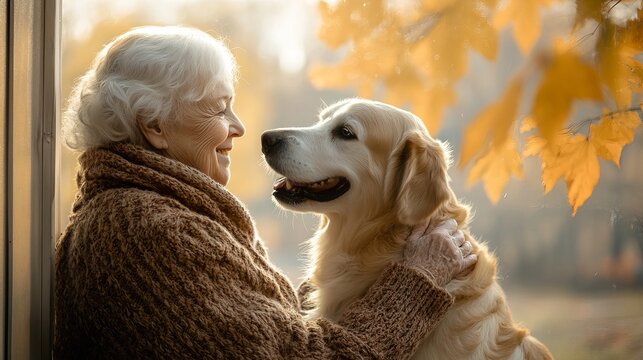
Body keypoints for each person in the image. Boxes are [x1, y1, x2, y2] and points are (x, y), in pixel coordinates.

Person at [55, 26, 477, 359]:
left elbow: (254, 329)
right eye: (219, 108)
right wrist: (418, 281)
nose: (238, 127)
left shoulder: (139, 215)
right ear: (155, 127)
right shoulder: (148, 236)